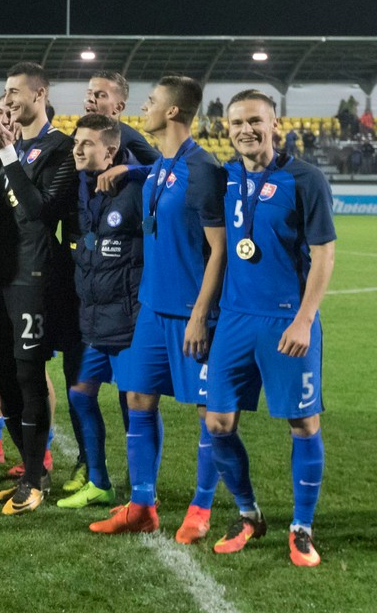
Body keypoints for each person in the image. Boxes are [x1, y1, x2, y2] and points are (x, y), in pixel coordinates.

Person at [90, 75, 227, 538]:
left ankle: (201, 510)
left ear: (172, 112)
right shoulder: (164, 165)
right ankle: (142, 506)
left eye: (150, 101)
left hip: (192, 311)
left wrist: (199, 315)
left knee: (210, 413)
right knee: (137, 397)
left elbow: (220, 250)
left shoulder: (204, 168)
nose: (143, 107)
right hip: (150, 307)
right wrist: (131, 171)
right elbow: (161, 176)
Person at [205, 90, 334, 567]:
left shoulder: (306, 179)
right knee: (217, 423)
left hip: (287, 320)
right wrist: (127, 169)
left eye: (255, 121)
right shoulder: (225, 176)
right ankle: (249, 514)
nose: (245, 130)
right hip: (235, 319)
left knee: (302, 423)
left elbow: (324, 255)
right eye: (237, 122)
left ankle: (301, 527)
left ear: (275, 122)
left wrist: (304, 319)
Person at [0, 62, 79, 515]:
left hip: (32, 278)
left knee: (28, 375)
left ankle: (34, 480)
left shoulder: (62, 148)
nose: (8, 97)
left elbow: (39, 211)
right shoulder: (3, 149)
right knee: (0, 374)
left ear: (40, 94)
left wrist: (9, 154)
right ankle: (29, 470)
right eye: (5, 90)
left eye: (15, 90)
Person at [56, 114, 145, 510]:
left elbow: (184, 172)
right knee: (80, 395)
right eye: (77, 141)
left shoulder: (137, 186)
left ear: (110, 151)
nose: (77, 148)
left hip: (128, 317)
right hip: (93, 316)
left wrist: (136, 167)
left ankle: (142, 488)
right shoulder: (81, 184)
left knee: (135, 405)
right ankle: (100, 481)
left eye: (87, 143)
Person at [84, 71, 160, 165]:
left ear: (118, 107)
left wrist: (130, 169)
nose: (90, 99)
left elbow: (164, 167)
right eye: (89, 93)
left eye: (101, 95)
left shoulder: (127, 135)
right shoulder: (79, 133)